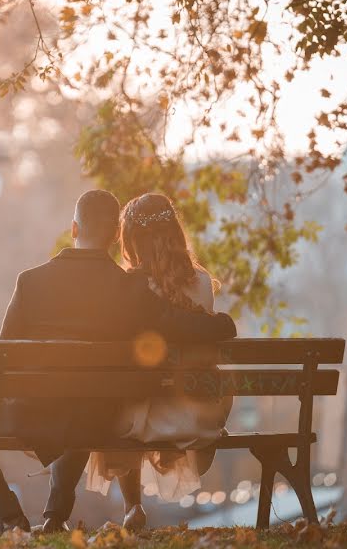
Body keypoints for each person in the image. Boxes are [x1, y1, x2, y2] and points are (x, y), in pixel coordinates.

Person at [0, 190, 237, 533]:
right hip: (96, 417)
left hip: (33, 412)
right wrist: (222, 324)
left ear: (74, 228)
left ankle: (9, 514)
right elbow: (181, 324)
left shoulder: (31, 281)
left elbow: (4, 359)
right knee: (80, 405)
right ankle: (52, 515)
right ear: (115, 236)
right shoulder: (130, 288)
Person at [83, 193, 234, 531]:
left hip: (140, 417)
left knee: (124, 398)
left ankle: (133, 506)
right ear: (175, 232)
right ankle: (199, 444)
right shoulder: (201, 283)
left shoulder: (131, 287)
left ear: (132, 240)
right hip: (194, 412)